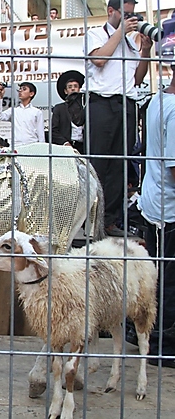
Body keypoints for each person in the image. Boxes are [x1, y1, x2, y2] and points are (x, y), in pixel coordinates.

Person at [84, 0, 152, 237]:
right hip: (102, 104)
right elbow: (99, 59)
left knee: (120, 165)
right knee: (99, 164)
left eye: (133, 14)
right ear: (111, 11)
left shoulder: (130, 41)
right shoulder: (95, 33)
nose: (130, 18)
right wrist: (120, 32)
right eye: (126, 13)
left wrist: (145, 50)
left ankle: (110, 221)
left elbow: (137, 78)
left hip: (127, 104)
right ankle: (90, 222)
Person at [137, 29, 175, 368]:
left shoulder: (159, 99)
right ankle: (163, 342)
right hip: (169, 208)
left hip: (154, 202)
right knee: (168, 279)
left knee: (161, 275)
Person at [0, 81, 44, 146]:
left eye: (24, 89)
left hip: (32, 145)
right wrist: (1, 96)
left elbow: (40, 133)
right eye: (20, 89)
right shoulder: (14, 111)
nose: (20, 91)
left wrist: (42, 148)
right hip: (16, 146)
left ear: (31, 94)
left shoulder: (37, 112)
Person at [51, 70, 85, 153]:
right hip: (66, 147)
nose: (73, 88)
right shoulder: (59, 108)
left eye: (75, 86)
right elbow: (54, 130)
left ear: (80, 89)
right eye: (70, 87)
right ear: (66, 91)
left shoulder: (86, 107)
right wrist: (65, 143)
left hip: (84, 147)